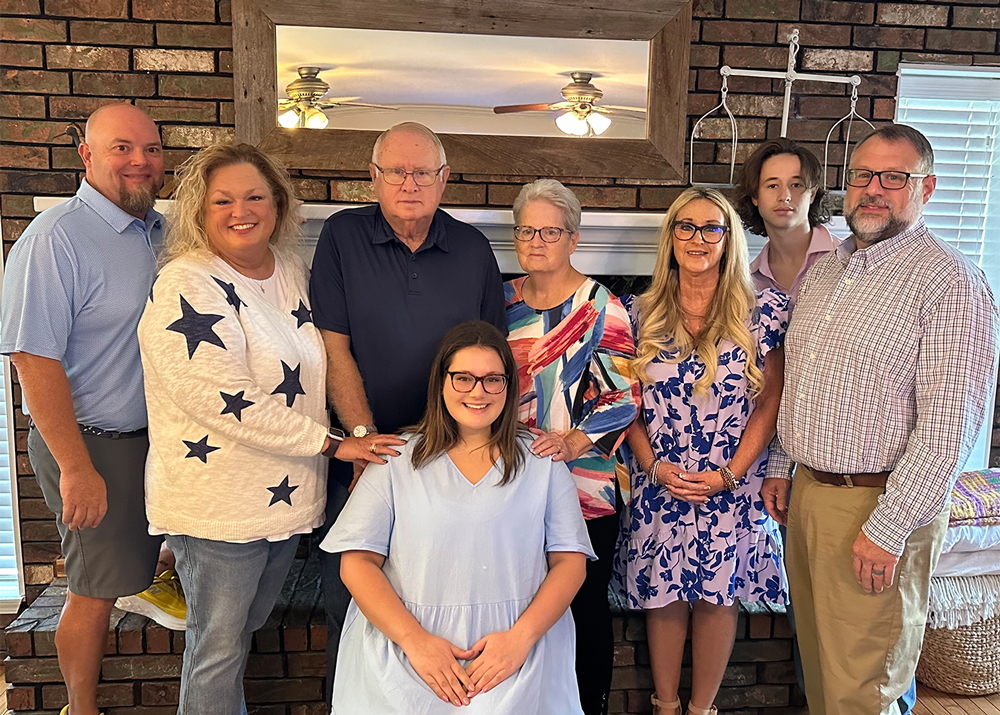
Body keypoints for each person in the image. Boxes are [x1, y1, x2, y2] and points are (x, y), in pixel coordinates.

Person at [137, 142, 391, 714]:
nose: (240, 210)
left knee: (241, 631)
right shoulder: (188, 284)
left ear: (277, 204)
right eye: (222, 200)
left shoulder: (292, 273)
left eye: (254, 196)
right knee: (218, 649)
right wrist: (333, 442)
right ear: (200, 212)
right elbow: (222, 399)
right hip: (219, 506)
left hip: (283, 499)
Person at [761, 124, 999, 715]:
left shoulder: (950, 282)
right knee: (822, 676)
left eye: (895, 178)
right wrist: (782, 465)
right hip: (812, 497)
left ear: (928, 187)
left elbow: (950, 429)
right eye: (864, 175)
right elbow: (803, 379)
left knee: (865, 692)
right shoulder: (827, 270)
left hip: (879, 507)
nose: (874, 189)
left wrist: (887, 529)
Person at [310, 121, 506, 700]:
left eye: (423, 171)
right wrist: (363, 437)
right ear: (374, 178)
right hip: (365, 454)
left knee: (439, 606)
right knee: (352, 602)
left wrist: (468, 448)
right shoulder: (342, 236)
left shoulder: (472, 249)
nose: (409, 182)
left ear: (444, 180)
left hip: (450, 458)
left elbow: (488, 361)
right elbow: (333, 346)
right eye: (396, 170)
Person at [0, 104, 184, 715]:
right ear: (86, 155)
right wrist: (77, 468)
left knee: (126, 563)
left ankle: (151, 568)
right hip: (90, 441)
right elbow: (34, 361)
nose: (140, 161)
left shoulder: (166, 233)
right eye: (122, 148)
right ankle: (79, 708)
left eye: (151, 150)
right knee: (93, 587)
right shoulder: (54, 240)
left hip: (157, 437)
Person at [321, 320, 595, 714]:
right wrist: (415, 642)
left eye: (492, 380)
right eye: (463, 378)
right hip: (407, 659)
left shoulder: (542, 461)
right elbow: (357, 563)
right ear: (441, 382)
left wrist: (520, 640)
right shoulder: (395, 460)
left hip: (516, 660)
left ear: (509, 385)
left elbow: (570, 563)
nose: (478, 392)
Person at [614, 188, 789, 715]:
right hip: (659, 476)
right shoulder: (636, 313)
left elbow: (772, 399)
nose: (697, 238)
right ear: (670, 238)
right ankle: (665, 707)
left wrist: (731, 475)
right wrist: (652, 466)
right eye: (685, 227)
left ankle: (701, 710)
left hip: (732, 481)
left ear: (728, 238)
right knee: (663, 597)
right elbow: (627, 403)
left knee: (718, 596)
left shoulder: (763, 312)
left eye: (711, 228)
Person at [503, 179, 639, 715]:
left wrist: (572, 441)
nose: (537, 240)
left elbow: (624, 398)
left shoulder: (601, 307)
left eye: (550, 231)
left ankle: (589, 706)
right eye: (527, 230)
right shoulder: (503, 301)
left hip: (585, 487)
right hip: (513, 481)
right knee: (523, 606)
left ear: (573, 239)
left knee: (583, 607)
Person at [734, 138, 835, 305]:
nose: (784, 196)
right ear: (754, 196)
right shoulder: (748, 281)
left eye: (796, 185)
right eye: (773, 185)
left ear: (812, 194)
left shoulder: (845, 261)